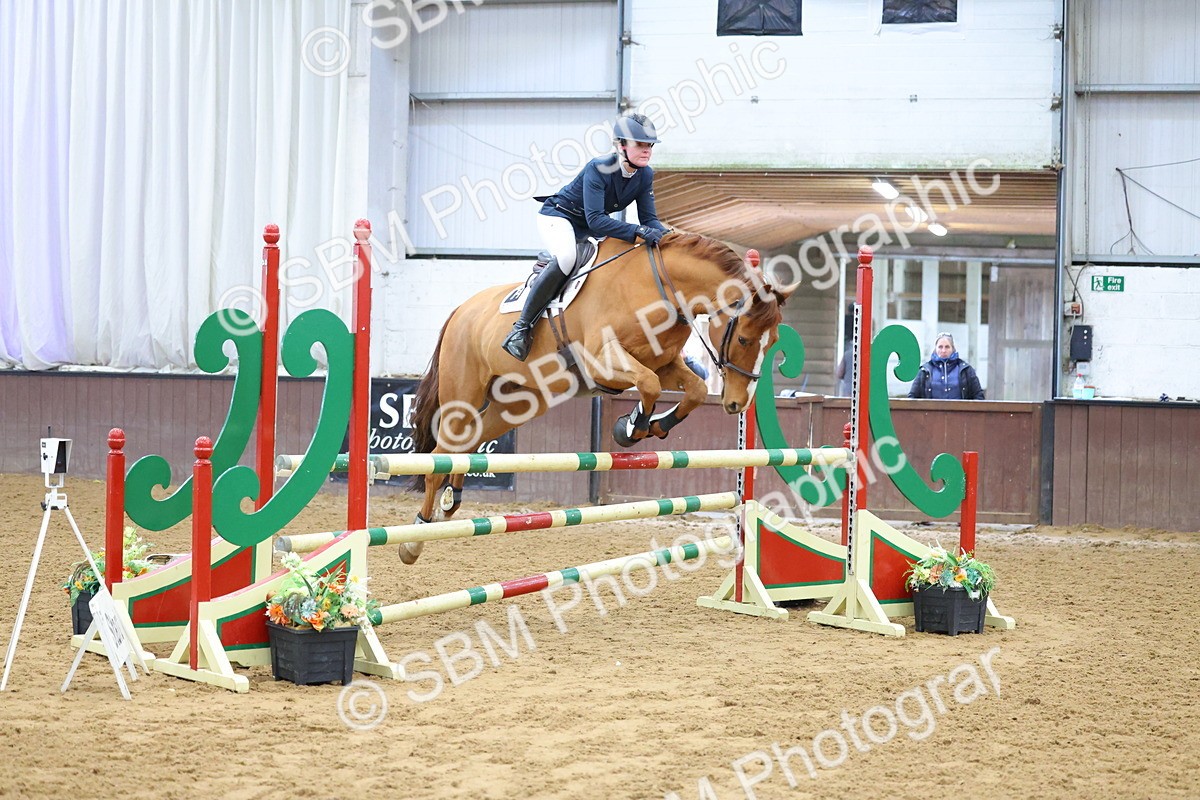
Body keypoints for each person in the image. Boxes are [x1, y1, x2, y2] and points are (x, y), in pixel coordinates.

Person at [501, 113, 670, 361]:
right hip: (560, 217)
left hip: (592, 227)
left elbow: (649, 220)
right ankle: (520, 329)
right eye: (640, 144)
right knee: (568, 257)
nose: (647, 150)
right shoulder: (599, 168)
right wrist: (638, 231)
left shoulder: (645, 175)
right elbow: (596, 220)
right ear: (622, 146)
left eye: (650, 145)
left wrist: (670, 239)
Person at [908, 333, 985, 399]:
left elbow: (979, 396)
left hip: (960, 412)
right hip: (931, 412)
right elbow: (912, 397)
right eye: (940, 347)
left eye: (947, 347)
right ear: (935, 348)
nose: (943, 350)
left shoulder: (966, 370)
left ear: (953, 348)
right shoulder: (924, 371)